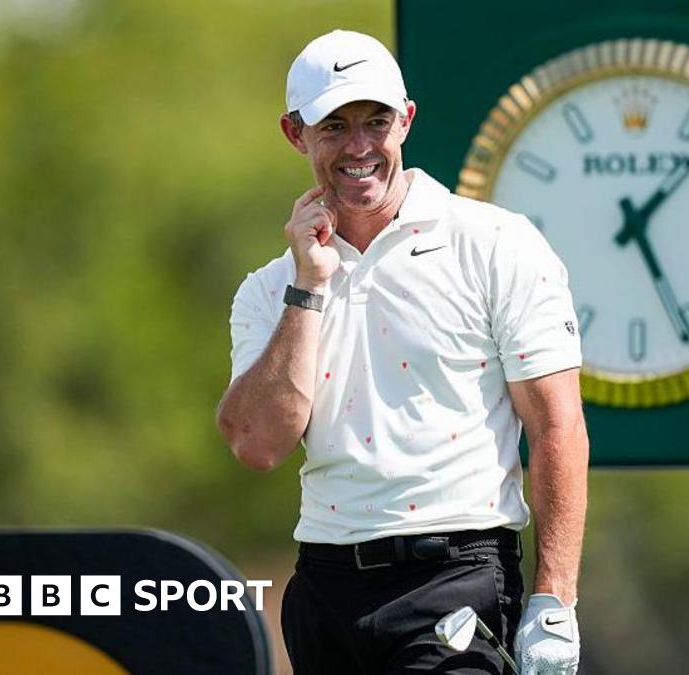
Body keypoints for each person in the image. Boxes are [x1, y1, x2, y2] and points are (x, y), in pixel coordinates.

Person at [215, 29, 588, 675]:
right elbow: (257, 443)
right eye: (334, 125)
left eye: (376, 121)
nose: (359, 146)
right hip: (325, 582)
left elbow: (556, 424)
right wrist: (308, 286)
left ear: (406, 120)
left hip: (457, 576)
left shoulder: (496, 244)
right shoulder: (270, 288)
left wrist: (555, 596)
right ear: (294, 133)